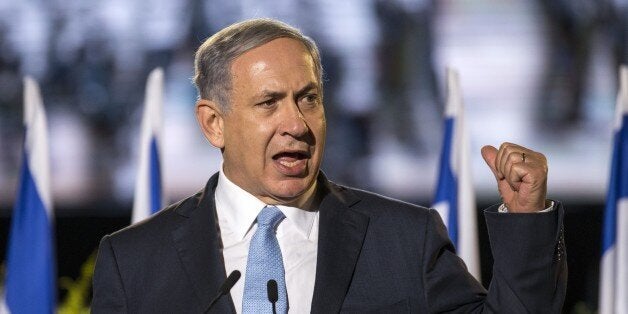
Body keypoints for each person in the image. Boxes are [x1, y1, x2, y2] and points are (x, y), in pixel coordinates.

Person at [92, 18, 566, 313]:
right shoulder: (135, 261)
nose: (296, 123)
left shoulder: (403, 238)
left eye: (309, 99)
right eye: (269, 103)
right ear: (214, 124)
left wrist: (527, 219)